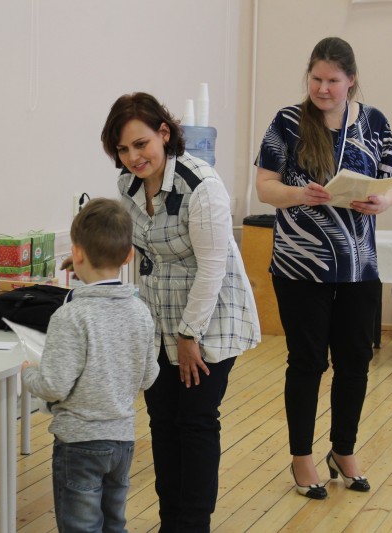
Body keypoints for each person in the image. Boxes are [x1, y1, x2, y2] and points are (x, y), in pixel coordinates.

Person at [99, 92, 260, 532]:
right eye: (123, 149)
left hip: (210, 318)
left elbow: (212, 268)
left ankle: (192, 525)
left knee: (195, 421)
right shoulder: (128, 186)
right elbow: (137, 251)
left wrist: (190, 337)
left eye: (141, 144)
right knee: (163, 422)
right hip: (158, 316)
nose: (133, 157)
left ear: (164, 134)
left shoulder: (201, 186)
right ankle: (171, 521)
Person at [255, 36, 392, 499]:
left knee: (355, 361)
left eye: (333, 80)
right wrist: (300, 194)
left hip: (359, 267)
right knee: (307, 362)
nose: (323, 88)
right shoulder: (287, 121)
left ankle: (343, 450)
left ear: (351, 80)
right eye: (316, 79)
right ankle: (302, 457)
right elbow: (264, 187)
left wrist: (381, 202)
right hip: (300, 266)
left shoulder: (374, 122)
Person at [22, 198, 160, 533]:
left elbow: (53, 386)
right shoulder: (140, 311)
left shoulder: (71, 315)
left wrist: (29, 373)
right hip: (122, 440)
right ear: (129, 256)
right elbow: (149, 376)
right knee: (114, 523)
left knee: (81, 527)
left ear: (76, 253)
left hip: (80, 443)